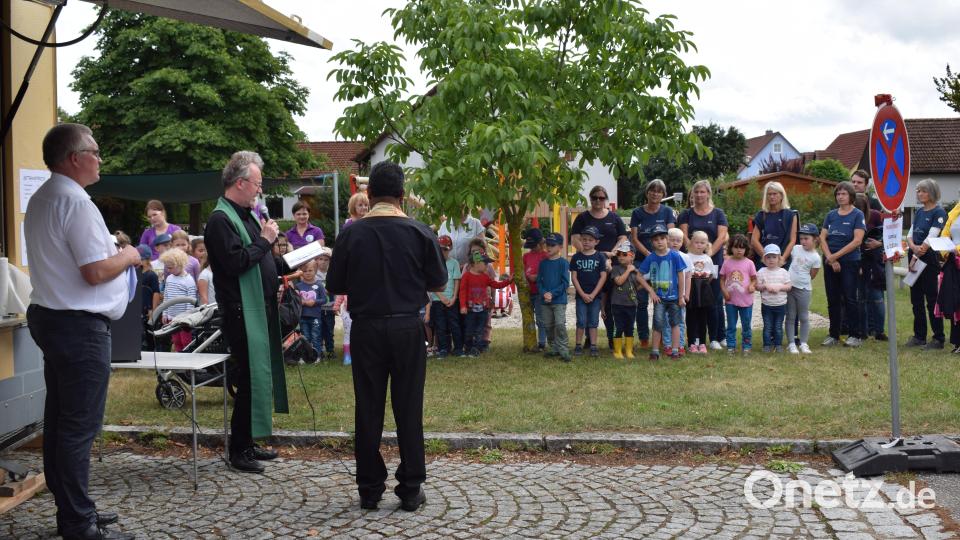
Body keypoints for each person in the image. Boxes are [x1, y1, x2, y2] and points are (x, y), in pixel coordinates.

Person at [25, 123, 139, 540]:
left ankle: (73, 509)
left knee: (60, 422)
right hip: (77, 326)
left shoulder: (45, 196)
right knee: (77, 429)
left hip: (54, 318)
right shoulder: (74, 201)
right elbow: (94, 272)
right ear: (75, 157)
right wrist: (127, 255)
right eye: (94, 150)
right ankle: (77, 523)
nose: (100, 158)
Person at [327, 161, 446, 512]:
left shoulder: (351, 233)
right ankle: (410, 488)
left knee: (368, 407)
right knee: (409, 408)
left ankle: (369, 488)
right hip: (407, 326)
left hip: (366, 327)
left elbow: (335, 284)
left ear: (369, 194)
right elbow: (438, 282)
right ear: (401, 196)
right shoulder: (420, 231)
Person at [205, 150, 286, 474]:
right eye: (257, 184)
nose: (259, 190)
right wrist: (266, 241)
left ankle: (249, 441)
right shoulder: (220, 219)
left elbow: (259, 258)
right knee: (248, 378)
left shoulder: (245, 214)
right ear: (240, 182)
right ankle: (238, 450)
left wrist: (282, 268)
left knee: (257, 378)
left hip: (258, 305)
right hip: (240, 310)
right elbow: (237, 262)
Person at [571, 185, 628, 350]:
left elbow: (623, 237)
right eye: (595, 197)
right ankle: (589, 339)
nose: (598, 200)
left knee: (610, 304)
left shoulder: (614, 218)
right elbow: (575, 239)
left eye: (601, 198)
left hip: (611, 264)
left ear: (606, 200)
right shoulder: (582, 218)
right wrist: (591, 253)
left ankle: (612, 338)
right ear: (590, 198)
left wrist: (612, 253)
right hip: (589, 265)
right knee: (590, 302)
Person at [679, 179, 729, 350]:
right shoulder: (686, 214)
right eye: (696, 192)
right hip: (692, 263)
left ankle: (718, 337)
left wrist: (708, 254)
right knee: (694, 304)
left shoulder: (718, 213)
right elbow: (684, 236)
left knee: (715, 300)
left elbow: (722, 236)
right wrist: (694, 253)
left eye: (703, 192)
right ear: (692, 194)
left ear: (708, 193)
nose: (699, 195)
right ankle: (695, 339)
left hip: (712, 263)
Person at [629, 179, 676, 346]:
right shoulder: (637, 213)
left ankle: (664, 337)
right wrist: (650, 255)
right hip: (643, 260)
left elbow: (671, 236)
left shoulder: (667, 211)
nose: (655, 194)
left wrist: (660, 255)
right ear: (647, 193)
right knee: (641, 301)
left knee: (664, 300)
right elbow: (634, 238)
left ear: (663, 195)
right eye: (652, 190)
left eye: (659, 191)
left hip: (664, 262)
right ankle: (643, 337)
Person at [819, 181, 866, 348]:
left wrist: (835, 257)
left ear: (851, 196)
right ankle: (833, 334)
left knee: (850, 298)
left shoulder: (857, 215)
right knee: (833, 299)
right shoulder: (831, 215)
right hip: (830, 263)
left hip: (849, 262)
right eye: (838, 194)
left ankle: (855, 335)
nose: (840, 196)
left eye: (843, 194)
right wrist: (830, 258)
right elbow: (822, 238)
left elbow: (857, 241)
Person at [905, 178, 948, 350]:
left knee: (931, 300)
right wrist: (912, 248)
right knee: (916, 299)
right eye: (918, 190)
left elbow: (931, 237)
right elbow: (909, 233)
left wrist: (915, 255)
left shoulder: (939, 212)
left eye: (922, 191)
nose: (919, 193)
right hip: (914, 254)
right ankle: (919, 336)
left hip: (928, 258)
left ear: (931, 193)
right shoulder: (919, 212)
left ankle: (938, 338)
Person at [637, 225, 687, 361]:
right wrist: (651, 291)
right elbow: (639, 276)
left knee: (675, 323)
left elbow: (681, 275)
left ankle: (675, 351)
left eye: (662, 238)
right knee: (658, 323)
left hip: (675, 298)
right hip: (659, 298)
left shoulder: (675, 256)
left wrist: (681, 296)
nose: (659, 241)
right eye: (656, 239)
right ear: (652, 243)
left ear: (668, 240)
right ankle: (654, 352)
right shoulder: (650, 258)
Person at [459, 251, 513, 356]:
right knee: (469, 330)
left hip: (483, 310)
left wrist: (508, 281)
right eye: (486, 263)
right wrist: (463, 306)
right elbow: (462, 292)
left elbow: (495, 285)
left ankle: (476, 349)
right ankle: (468, 348)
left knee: (480, 330)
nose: (488, 266)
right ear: (476, 263)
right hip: (470, 310)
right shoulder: (466, 276)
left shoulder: (485, 276)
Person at [570, 226, 608, 357]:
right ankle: (578, 345)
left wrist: (593, 294)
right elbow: (574, 277)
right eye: (584, 239)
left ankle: (593, 346)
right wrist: (582, 294)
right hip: (581, 296)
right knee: (581, 321)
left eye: (590, 240)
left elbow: (603, 276)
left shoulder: (600, 257)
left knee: (593, 322)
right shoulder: (576, 257)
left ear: (596, 242)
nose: (586, 242)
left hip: (595, 296)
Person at [854, 193, 886, 341]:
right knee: (861, 298)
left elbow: (888, 234)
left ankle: (879, 331)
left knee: (877, 297)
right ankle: (863, 331)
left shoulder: (875, 215)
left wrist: (878, 243)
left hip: (874, 261)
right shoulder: (851, 216)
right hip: (859, 260)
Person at [786, 224, 821, 354]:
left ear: (815, 239)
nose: (803, 241)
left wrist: (801, 281)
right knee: (790, 316)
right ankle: (791, 343)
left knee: (804, 317)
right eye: (801, 238)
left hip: (804, 290)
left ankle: (804, 343)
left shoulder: (816, 258)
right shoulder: (795, 249)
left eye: (806, 238)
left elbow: (812, 274)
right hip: (790, 288)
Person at [720, 234, 757, 355]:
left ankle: (747, 345)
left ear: (746, 249)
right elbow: (721, 279)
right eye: (736, 247)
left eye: (742, 247)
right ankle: (731, 346)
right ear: (731, 248)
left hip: (746, 301)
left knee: (746, 325)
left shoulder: (749, 263)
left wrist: (752, 286)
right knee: (731, 325)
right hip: (730, 301)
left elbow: (754, 279)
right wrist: (724, 291)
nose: (739, 250)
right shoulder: (727, 263)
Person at [537, 232, 571, 362]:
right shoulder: (543, 263)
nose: (549, 247)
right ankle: (553, 347)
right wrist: (544, 293)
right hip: (545, 300)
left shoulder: (563, 263)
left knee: (559, 324)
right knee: (548, 325)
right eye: (547, 245)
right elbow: (539, 281)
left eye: (552, 245)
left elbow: (565, 283)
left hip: (559, 301)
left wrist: (552, 293)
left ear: (560, 247)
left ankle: (563, 349)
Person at [429, 235, 463, 358]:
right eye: (440, 249)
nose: (442, 252)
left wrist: (454, 297)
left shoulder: (454, 263)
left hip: (451, 301)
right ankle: (443, 348)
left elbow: (457, 280)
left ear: (450, 248)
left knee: (454, 324)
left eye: (445, 249)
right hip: (438, 301)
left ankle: (458, 348)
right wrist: (441, 297)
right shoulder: (433, 264)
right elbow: (431, 283)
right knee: (440, 325)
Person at [750, 182, 797, 269]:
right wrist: (766, 257)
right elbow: (754, 240)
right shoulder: (761, 215)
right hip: (763, 263)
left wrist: (782, 259)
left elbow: (792, 240)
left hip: (783, 263)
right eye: (769, 194)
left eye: (775, 194)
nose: (771, 197)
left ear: (782, 195)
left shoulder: (791, 215)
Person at [159, 248, 197, 352]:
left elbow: (191, 301)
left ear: (180, 265)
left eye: (170, 268)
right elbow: (166, 297)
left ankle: (187, 363)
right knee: (176, 341)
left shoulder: (189, 281)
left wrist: (187, 317)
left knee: (186, 341)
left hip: (183, 319)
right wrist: (164, 313)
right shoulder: (169, 278)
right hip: (172, 318)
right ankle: (179, 360)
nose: (168, 270)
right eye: (167, 267)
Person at [756, 245, 792, 353]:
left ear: (779, 258)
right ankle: (767, 345)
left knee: (778, 326)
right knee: (767, 326)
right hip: (767, 305)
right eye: (768, 257)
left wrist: (780, 287)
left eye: (774, 257)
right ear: (764, 259)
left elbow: (789, 286)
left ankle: (778, 344)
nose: (771, 260)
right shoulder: (762, 271)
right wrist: (765, 286)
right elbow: (757, 286)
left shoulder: (783, 272)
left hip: (780, 305)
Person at [608, 242, 640, 359]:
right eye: (619, 254)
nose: (621, 256)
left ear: (632, 256)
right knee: (619, 327)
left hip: (631, 304)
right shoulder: (616, 269)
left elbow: (638, 286)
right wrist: (628, 270)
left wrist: (642, 277)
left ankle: (628, 350)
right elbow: (619, 281)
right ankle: (617, 351)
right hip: (618, 304)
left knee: (630, 327)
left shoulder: (635, 271)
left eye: (624, 254)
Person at [663, 228, 691, 355]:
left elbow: (688, 276)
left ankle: (680, 345)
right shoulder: (662, 256)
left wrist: (686, 294)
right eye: (672, 240)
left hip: (680, 296)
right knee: (667, 321)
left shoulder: (686, 257)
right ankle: (668, 345)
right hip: (666, 295)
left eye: (678, 241)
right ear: (667, 241)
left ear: (682, 242)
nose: (675, 243)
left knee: (680, 321)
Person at [685, 231, 715, 354]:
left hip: (703, 291)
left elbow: (711, 275)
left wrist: (703, 281)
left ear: (706, 244)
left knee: (703, 318)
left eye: (702, 243)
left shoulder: (707, 259)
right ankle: (692, 343)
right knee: (691, 317)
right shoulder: (687, 257)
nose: (699, 245)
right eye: (696, 242)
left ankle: (702, 343)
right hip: (691, 289)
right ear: (691, 242)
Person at [522, 228, 548, 351]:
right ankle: (530, 341)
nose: (532, 248)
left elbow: (547, 273)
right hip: (528, 291)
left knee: (540, 318)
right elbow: (522, 271)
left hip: (539, 292)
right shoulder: (526, 256)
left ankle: (542, 341)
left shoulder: (545, 256)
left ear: (541, 243)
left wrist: (537, 277)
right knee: (528, 317)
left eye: (534, 245)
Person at [294, 259, 325, 361]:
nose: (307, 273)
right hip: (303, 316)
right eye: (304, 271)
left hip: (315, 316)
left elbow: (324, 299)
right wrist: (300, 301)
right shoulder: (298, 286)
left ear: (315, 271)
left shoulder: (319, 285)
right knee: (304, 337)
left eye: (310, 270)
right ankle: (305, 356)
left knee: (316, 336)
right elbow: (294, 300)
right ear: (300, 272)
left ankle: (317, 356)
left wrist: (314, 302)